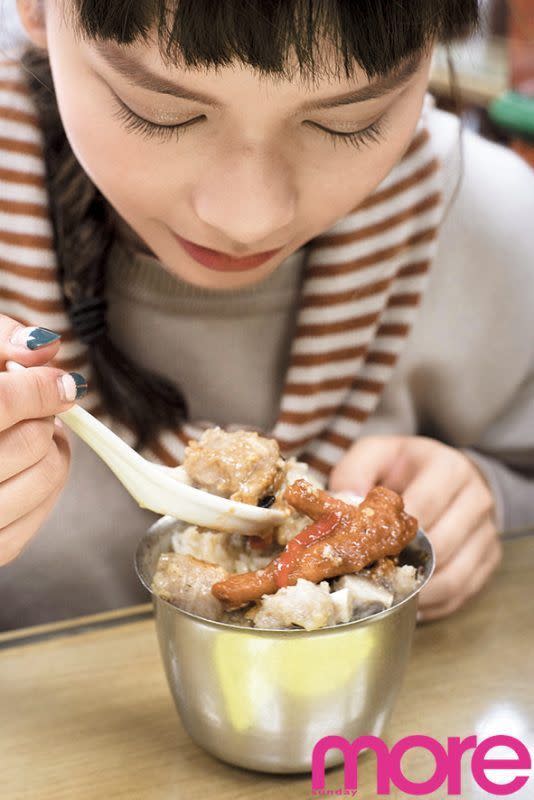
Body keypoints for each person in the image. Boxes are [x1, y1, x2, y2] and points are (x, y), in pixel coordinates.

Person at [0, 0, 533, 631]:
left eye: (348, 121)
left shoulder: (498, 226)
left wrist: (486, 496)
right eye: (161, 112)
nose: (249, 217)